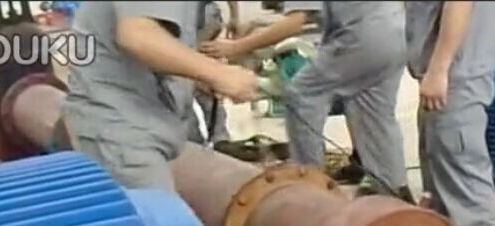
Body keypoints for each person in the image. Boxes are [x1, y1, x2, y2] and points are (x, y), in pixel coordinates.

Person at [203, 2, 411, 199]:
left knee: (301, 95)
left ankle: (309, 181)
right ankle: (393, 186)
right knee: (373, 109)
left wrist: (237, 47)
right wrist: (255, 28)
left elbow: (297, 21)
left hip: (360, 39)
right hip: (394, 31)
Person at [61, 1, 259, 191]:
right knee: (153, 212)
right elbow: (139, 35)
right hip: (122, 130)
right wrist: (220, 74)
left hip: (131, 124)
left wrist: (195, 77)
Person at [406, 1, 495, 226]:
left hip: (454, 81)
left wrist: (439, 69)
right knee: (446, 192)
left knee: (468, 198)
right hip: (452, 78)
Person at [188, 1, 240, 145]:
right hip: (206, 15)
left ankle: (197, 141)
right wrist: (234, 15)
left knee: (181, 81)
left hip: (188, 20)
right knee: (203, 83)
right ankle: (219, 138)